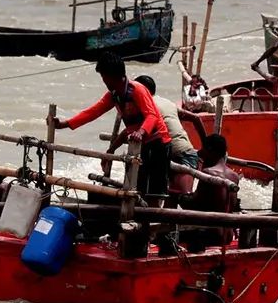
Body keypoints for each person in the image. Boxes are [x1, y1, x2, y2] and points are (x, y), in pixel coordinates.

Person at [53, 54, 171, 202]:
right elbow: (93, 112)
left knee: (154, 190)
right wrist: (64, 124)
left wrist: (141, 132)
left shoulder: (137, 90)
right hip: (139, 144)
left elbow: (152, 116)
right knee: (137, 187)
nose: (103, 80)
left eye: (104, 76)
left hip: (157, 141)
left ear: (114, 75)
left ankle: (151, 220)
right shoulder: (114, 95)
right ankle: (137, 216)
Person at [135, 75, 198, 197]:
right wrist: (204, 141)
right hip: (180, 151)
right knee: (172, 197)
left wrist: (112, 148)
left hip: (177, 153)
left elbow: (131, 131)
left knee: (182, 197)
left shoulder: (146, 106)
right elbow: (195, 118)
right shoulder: (168, 103)